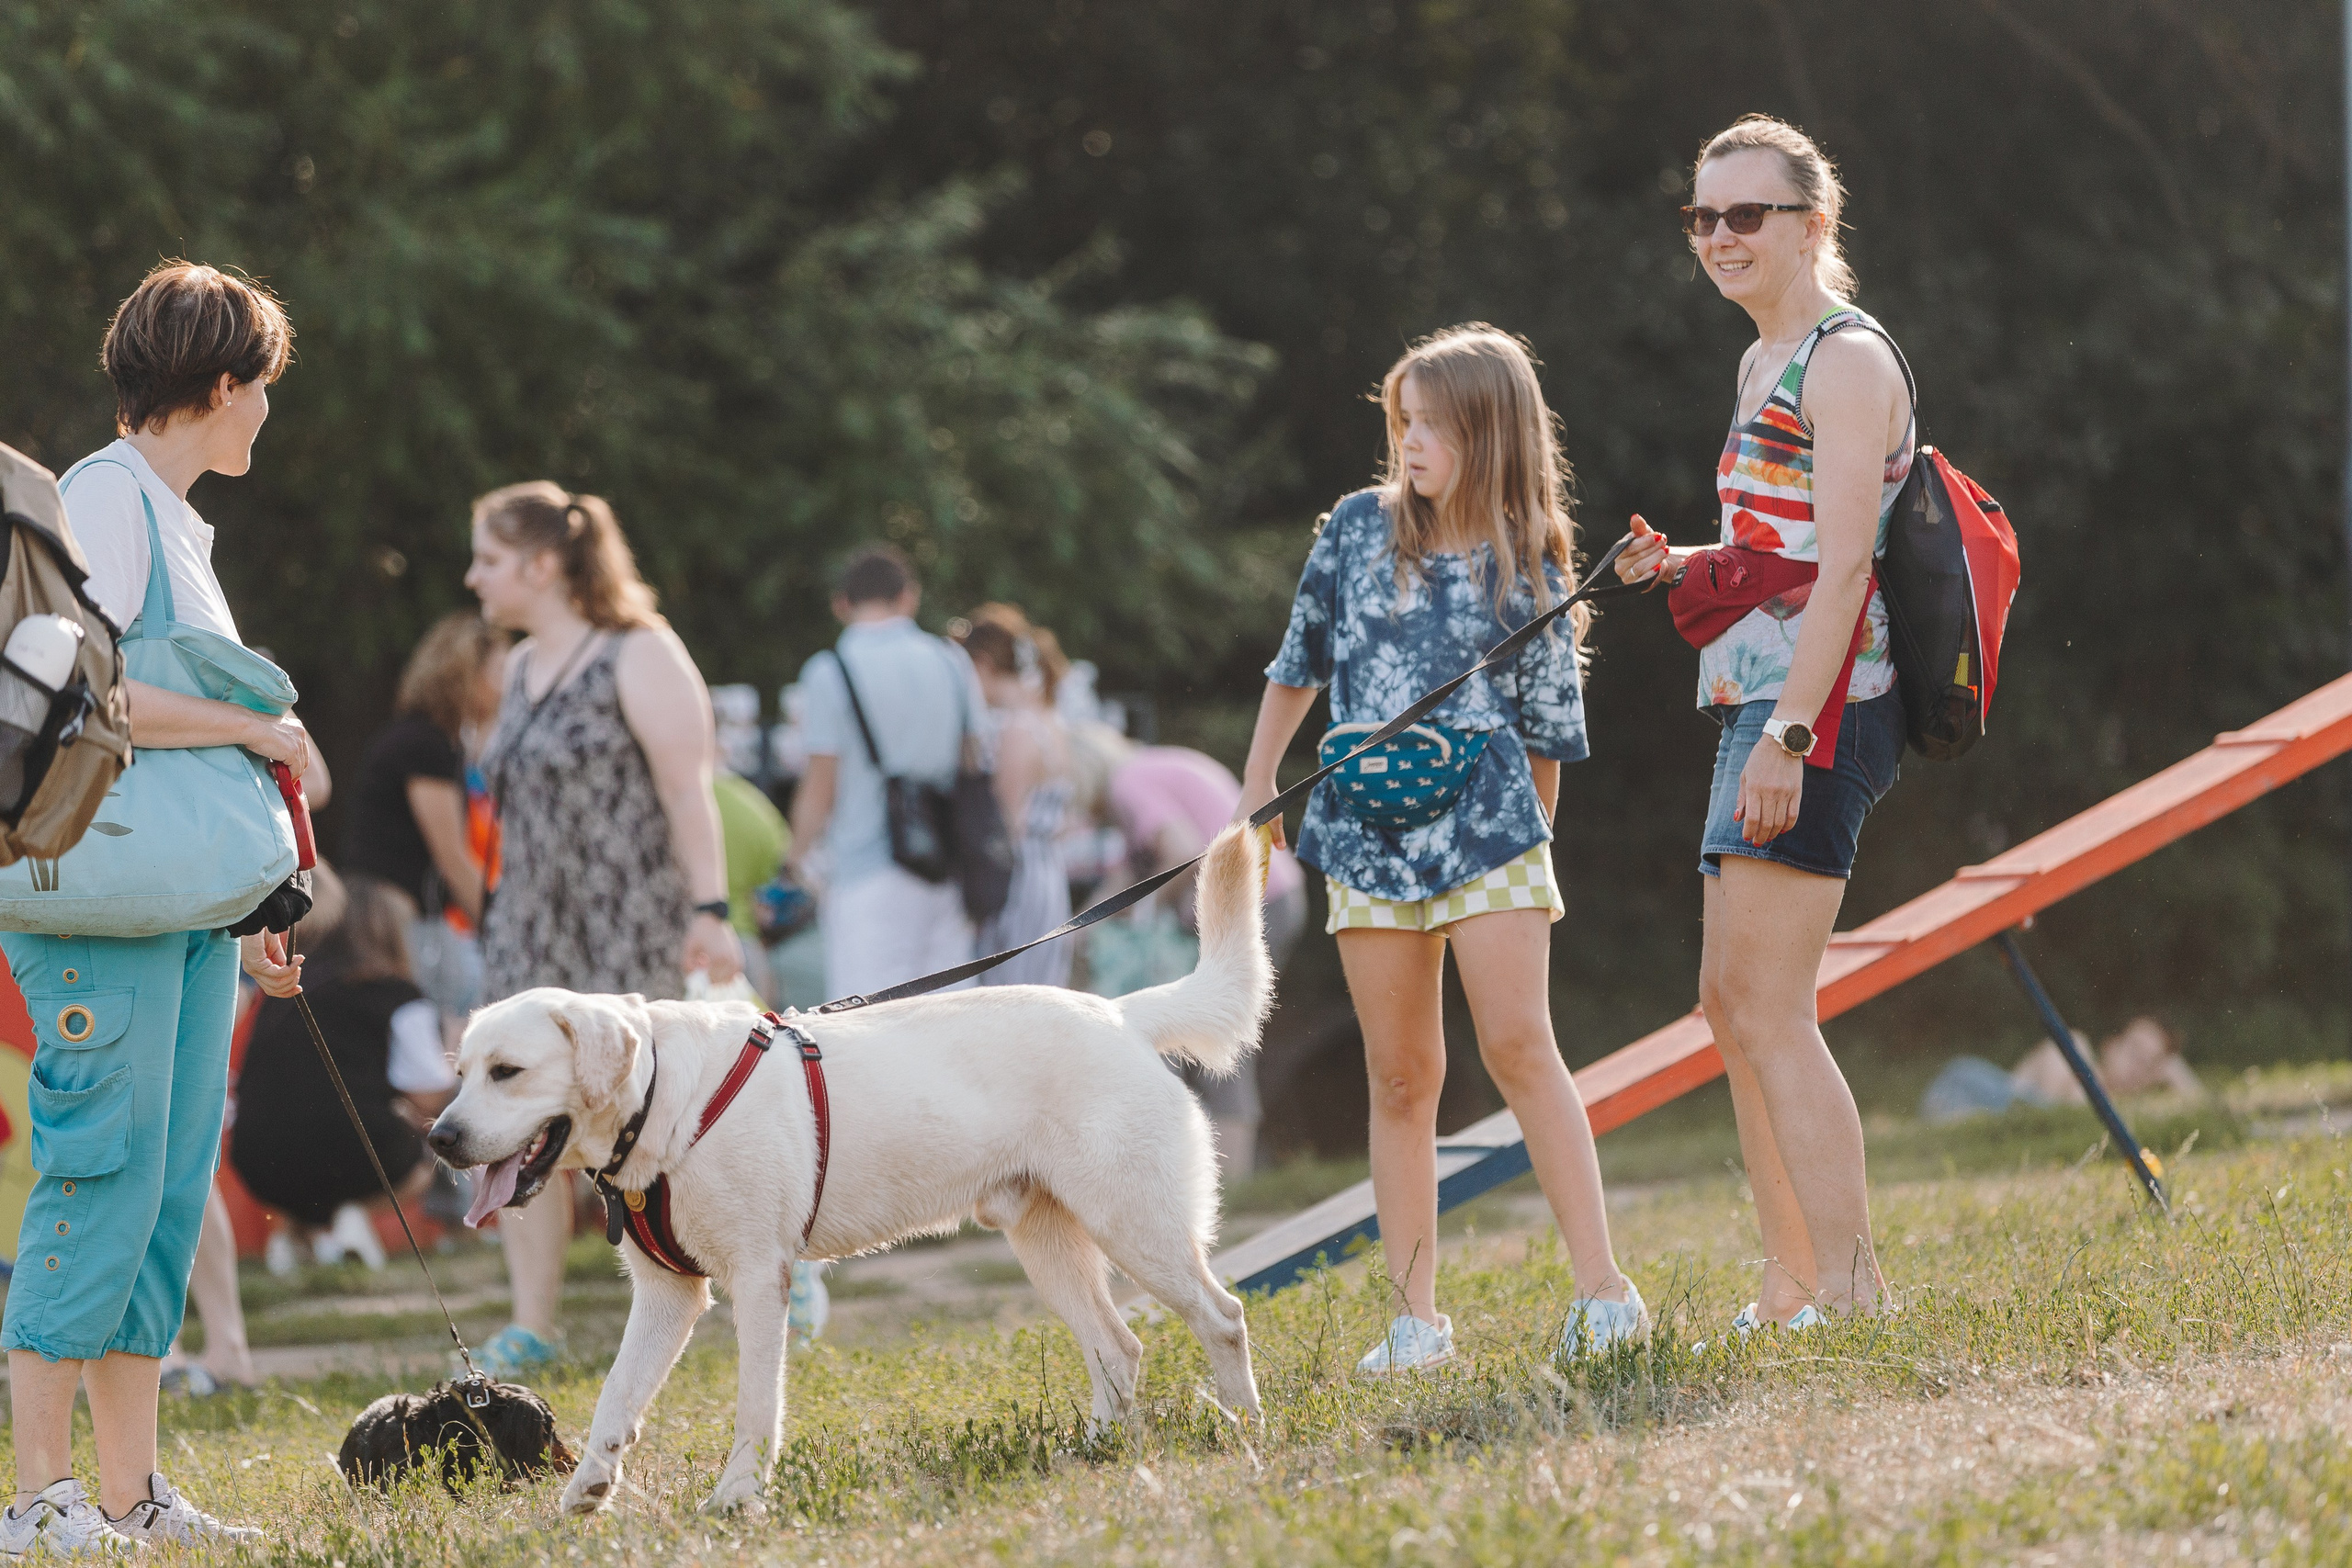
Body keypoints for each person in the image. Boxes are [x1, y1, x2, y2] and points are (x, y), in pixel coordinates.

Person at [1238, 324, 1642, 1375]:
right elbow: (1298, 660)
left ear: (1489, 431)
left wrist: (1536, 856)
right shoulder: (1353, 530)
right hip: (1364, 829)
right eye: (1400, 421)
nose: (1408, 442)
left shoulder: (1532, 555)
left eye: (1431, 425)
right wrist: (1258, 784)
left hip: (1488, 826)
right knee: (1401, 1075)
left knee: (1518, 1045)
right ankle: (1413, 1321)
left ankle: (1605, 1294)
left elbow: (1550, 728)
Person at [0, 262, 309, 1552]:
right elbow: (90, 702)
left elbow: (185, 766)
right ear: (223, 385)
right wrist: (263, 723)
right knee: (99, 1175)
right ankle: (35, 1500)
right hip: (88, 898)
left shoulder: (176, 521)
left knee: (171, 1193)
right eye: (265, 393)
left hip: (165, 905)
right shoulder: (104, 504)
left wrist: (257, 896)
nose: (266, 418)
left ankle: (131, 1491)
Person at [1612, 116, 1913, 1329]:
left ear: (1814, 223)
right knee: (1730, 1001)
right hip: (1756, 695)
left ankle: (1852, 1287)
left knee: (1774, 1007)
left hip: (1822, 705)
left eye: (1749, 215)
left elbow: (1845, 571)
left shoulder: (1844, 360)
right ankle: (1792, 1278)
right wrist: (1677, 560)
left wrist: (1792, 735)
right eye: (1705, 217)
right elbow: (1774, 547)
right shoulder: (1762, 361)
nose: (1722, 237)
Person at [465, 480, 743, 1380]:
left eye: (491, 560)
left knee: (674, 1116)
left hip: (628, 917)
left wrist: (711, 912)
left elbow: (685, 789)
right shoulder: (514, 670)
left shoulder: (639, 652)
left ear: (544, 566)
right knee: (511, 1110)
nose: (475, 578)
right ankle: (531, 1322)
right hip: (529, 930)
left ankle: (748, 1272)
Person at [1082, 732, 1307, 1175]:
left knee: (1220, 1042)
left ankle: (1227, 1188)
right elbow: (1128, 873)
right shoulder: (1162, 763)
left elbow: (1181, 851)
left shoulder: (1128, 781)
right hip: (1275, 892)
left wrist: (1146, 911)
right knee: (1213, 1039)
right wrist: (1086, 921)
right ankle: (1220, 1182)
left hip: (1251, 902)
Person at [229, 866, 457, 1267]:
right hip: (360, 1160)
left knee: (297, 1124)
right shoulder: (397, 996)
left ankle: (293, 1237)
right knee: (421, 1153)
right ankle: (351, 1214)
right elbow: (431, 1097)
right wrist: (457, 1047)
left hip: (256, 1160)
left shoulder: (285, 987)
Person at [789, 545, 984, 1000]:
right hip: (947, 867)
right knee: (952, 1019)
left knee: (870, 1027)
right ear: (909, 597)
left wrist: (793, 858)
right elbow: (972, 760)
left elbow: (822, 785)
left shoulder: (830, 671)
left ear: (842, 605)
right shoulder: (951, 661)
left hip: (867, 870)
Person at [339, 612, 509, 1030]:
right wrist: (507, 934)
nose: (508, 684)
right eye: (499, 671)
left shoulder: (426, 740)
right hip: (387, 917)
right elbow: (452, 858)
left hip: (388, 913)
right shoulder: (426, 746)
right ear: (469, 674)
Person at [956, 605, 1076, 987]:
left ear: (984, 663)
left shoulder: (1016, 729)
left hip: (1018, 879)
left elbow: (1005, 821)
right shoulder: (1048, 719)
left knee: (1009, 995)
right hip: (1047, 872)